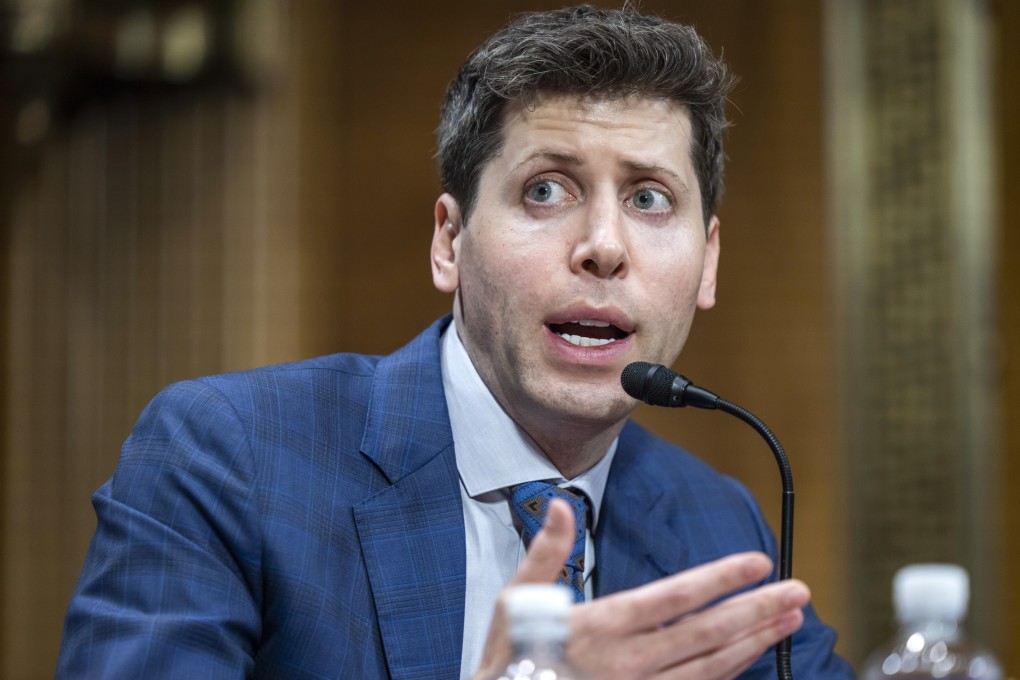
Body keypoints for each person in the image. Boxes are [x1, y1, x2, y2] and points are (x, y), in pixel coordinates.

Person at [57, 5, 854, 679]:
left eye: (649, 199)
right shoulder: (229, 457)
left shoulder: (719, 525)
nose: (605, 246)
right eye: (546, 190)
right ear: (449, 242)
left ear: (707, 263)